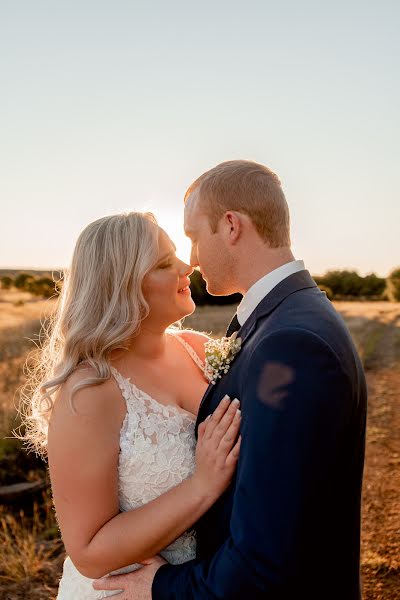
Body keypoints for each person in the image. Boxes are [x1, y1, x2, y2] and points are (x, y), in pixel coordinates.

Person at [95, 160, 368, 600]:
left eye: (193, 235)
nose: (192, 257)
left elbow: (266, 561)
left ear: (231, 225)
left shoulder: (292, 342)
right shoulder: (282, 319)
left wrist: (162, 586)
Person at [23, 212, 242, 599]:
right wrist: (202, 486)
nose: (185, 266)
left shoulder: (198, 350)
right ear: (120, 287)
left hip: (206, 585)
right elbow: (89, 551)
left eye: (175, 254)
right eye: (162, 264)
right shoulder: (90, 391)